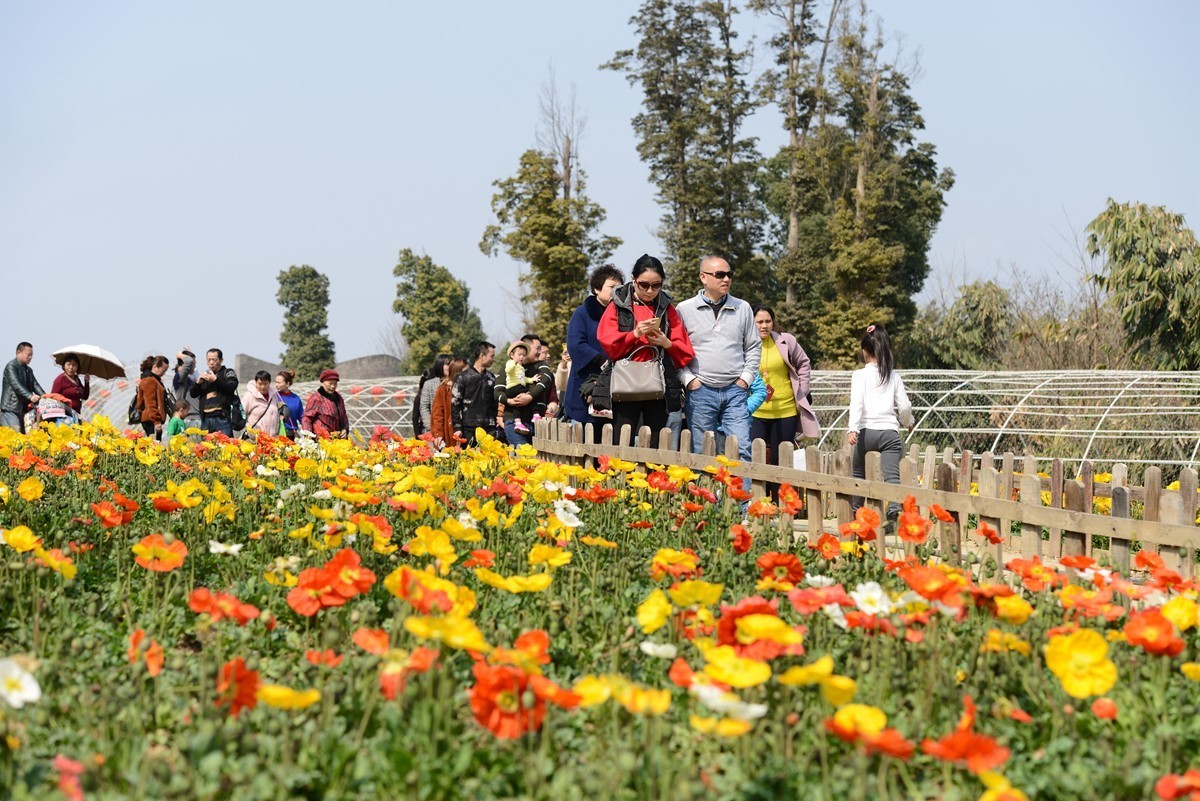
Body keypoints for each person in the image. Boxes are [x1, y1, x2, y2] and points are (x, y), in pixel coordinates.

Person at [597, 254, 695, 448]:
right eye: (643, 285)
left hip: (657, 383)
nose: (650, 291)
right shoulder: (617, 304)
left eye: (656, 285)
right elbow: (607, 343)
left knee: (656, 442)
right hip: (625, 382)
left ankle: (654, 478)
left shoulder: (667, 307)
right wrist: (634, 334)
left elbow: (685, 352)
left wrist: (666, 342)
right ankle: (621, 478)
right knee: (622, 441)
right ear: (633, 279)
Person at [675, 256, 760, 474]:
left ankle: (743, 505)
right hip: (701, 390)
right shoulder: (684, 309)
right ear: (703, 277)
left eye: (729, 274)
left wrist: (746, 379)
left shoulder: (743, 308)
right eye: (720, 274)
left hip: (735, 391)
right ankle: (706, 506)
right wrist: (689, 380)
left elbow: (753, 346)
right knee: (703, 452)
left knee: (741, 448)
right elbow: (675, 349)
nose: (726, 279)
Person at [848, 324, 914, 523]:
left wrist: (853, 429)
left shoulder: (859, 376)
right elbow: (903, 406)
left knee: (858, 473)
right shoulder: (894, 376)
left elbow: (856, 403)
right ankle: (894, 512)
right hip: (889, 433)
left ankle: (856, 511)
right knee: (892, 476)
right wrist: (907, 422)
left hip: (866, 432)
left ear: (864, 351)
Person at [750, 304, 821, 484]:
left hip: (785, 411)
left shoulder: (786, 341)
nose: (764, 326)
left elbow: (804, 363)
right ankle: (759, 502)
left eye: (768, 321)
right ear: (752, 323)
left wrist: (802, 391)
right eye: (759, 322)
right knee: (757, 458)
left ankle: (779, 503)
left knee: (780, 460)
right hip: (756, 412)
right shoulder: (745, 344)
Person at [564, 264, 624, 426]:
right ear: (597, 289)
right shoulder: (582, 313)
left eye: (619, 288)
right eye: (611, 287)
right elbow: (575, 344)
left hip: (615, 381)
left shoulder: (623, 315)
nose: (615, 291)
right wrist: (598, 360)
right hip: (585, 381)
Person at [495, 340, 553, 447]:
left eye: (524, 354)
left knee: (538, 459)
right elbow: (497, 391)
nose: (539, 352)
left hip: (536, 423)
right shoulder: (508, 367)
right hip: (513, 420)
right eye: (537, 349)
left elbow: (546, 380)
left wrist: (530, 396)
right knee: (524, 456)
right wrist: (509, 401)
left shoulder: (541, 365)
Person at [452, 340, 498, 447]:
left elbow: (494, 404)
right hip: (469, 428)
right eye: (492, 356)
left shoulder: (491, 378)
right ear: (482, 355)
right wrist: (457, 428)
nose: (493, 359)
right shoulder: (463, 377)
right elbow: (455, 404)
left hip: (489, 428)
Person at [189, 348, 240, 436]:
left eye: (214, 360)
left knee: (225, 447)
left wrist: (215, 381)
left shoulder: (227, 372)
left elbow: (231, 387)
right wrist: (198, 383)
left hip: (222, 418)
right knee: (205, 448)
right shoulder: (205, 376)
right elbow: (193, 394)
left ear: (221, 360)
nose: (211, 363)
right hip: (206, 419)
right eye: (209, 360)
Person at [1, 342, 44, 434]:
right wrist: (30, 396)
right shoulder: (11, 366)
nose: (30, 357)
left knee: (27, 436)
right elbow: (16, 384)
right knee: (14, 436)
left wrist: (46, 397)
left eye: (32, 355)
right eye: (28, 354)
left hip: (24, 411)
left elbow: (35, 385)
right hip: (11, 409)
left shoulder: (29, 370)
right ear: (18, 353)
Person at [302, 369, 349, 438]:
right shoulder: (316, 398)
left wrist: (345, 429)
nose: (333, 386)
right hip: (321, 439)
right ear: (323, 382)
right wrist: (308, 436)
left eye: (335, 383)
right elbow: (307, 418)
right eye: (330, 383)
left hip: (337, 440)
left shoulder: (339, 398)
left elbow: (344, 416)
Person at [415, 354, 452, 437]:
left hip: (451, 430)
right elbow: (424, 407)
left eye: (450, 364)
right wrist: (431, 427)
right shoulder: (429, 384)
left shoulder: (457, 383)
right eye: (446, 364)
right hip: (433, 431)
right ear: (440, 365)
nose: (449, 366)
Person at [135, 355, 171, 441]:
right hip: (150, 420)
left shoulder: (154, 380)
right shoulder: (149, 381)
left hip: (151, 419)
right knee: (154, 447)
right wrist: (156, 422)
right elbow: (150, 403)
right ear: (155, 367)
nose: (164, 373)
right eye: (163, 370)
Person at [501, 342, 533, 435]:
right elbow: (508, 370)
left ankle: (518, 422)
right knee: (525, 396)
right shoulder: (510, 362)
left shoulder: (521, 367)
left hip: (518, 386)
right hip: (513, 387)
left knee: (518, 404)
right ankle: (519, 421)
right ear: (512, 355)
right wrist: (514, 363)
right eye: (519, 355)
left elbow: (523, 378)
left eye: (523, 355)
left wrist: (532, 379)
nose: (522, 357)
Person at [430, 359, 463, 448]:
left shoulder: (468, 388)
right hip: (449, 432)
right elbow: (437, 414)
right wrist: (439, 434)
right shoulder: (443, 389)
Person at [50, 353, 90, 424]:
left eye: (74, 365)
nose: (71, 367)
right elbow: (53, 398)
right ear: (64, 365)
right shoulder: (60, 379)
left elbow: (85, 396)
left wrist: (86, 382)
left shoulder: (77, 380)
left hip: (76, 416)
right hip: (63, 417)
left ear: (77, 367)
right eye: (68, 364)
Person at [242, 370, 282, 439]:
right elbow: (241, 414)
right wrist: (248, 429)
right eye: (260, 384)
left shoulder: (273, 395)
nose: (263, 387)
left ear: (269, 383)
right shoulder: (250, 396)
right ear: (256, 383)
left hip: (271, 439)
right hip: (254, 439)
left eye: (265, 384)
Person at [173, 348, 202, 430]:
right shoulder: (180, 378)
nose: (194, 366)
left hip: (195, 418)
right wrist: (180, 355)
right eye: (193, 364)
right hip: (190, 419)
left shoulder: (191, 378)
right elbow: (188, 361)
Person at [274, 370, 304, 439]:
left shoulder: (295, 399)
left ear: (287, 384)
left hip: (291, 435)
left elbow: (301, 417)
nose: (276, 385)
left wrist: (307, 431)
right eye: (276, 382)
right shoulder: (273, 397)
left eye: (279, 383)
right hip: (277, 434)